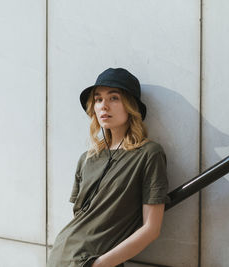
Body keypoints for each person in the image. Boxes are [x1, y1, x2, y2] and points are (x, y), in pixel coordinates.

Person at [47, 68, 171, 267]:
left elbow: (151, 229)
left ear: (131, 106)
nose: (104, 106)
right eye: (98, 99)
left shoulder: (149, 154)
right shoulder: (88, 158)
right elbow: (82, 220)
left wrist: (99, 264)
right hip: (60, 257)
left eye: (113, 98)